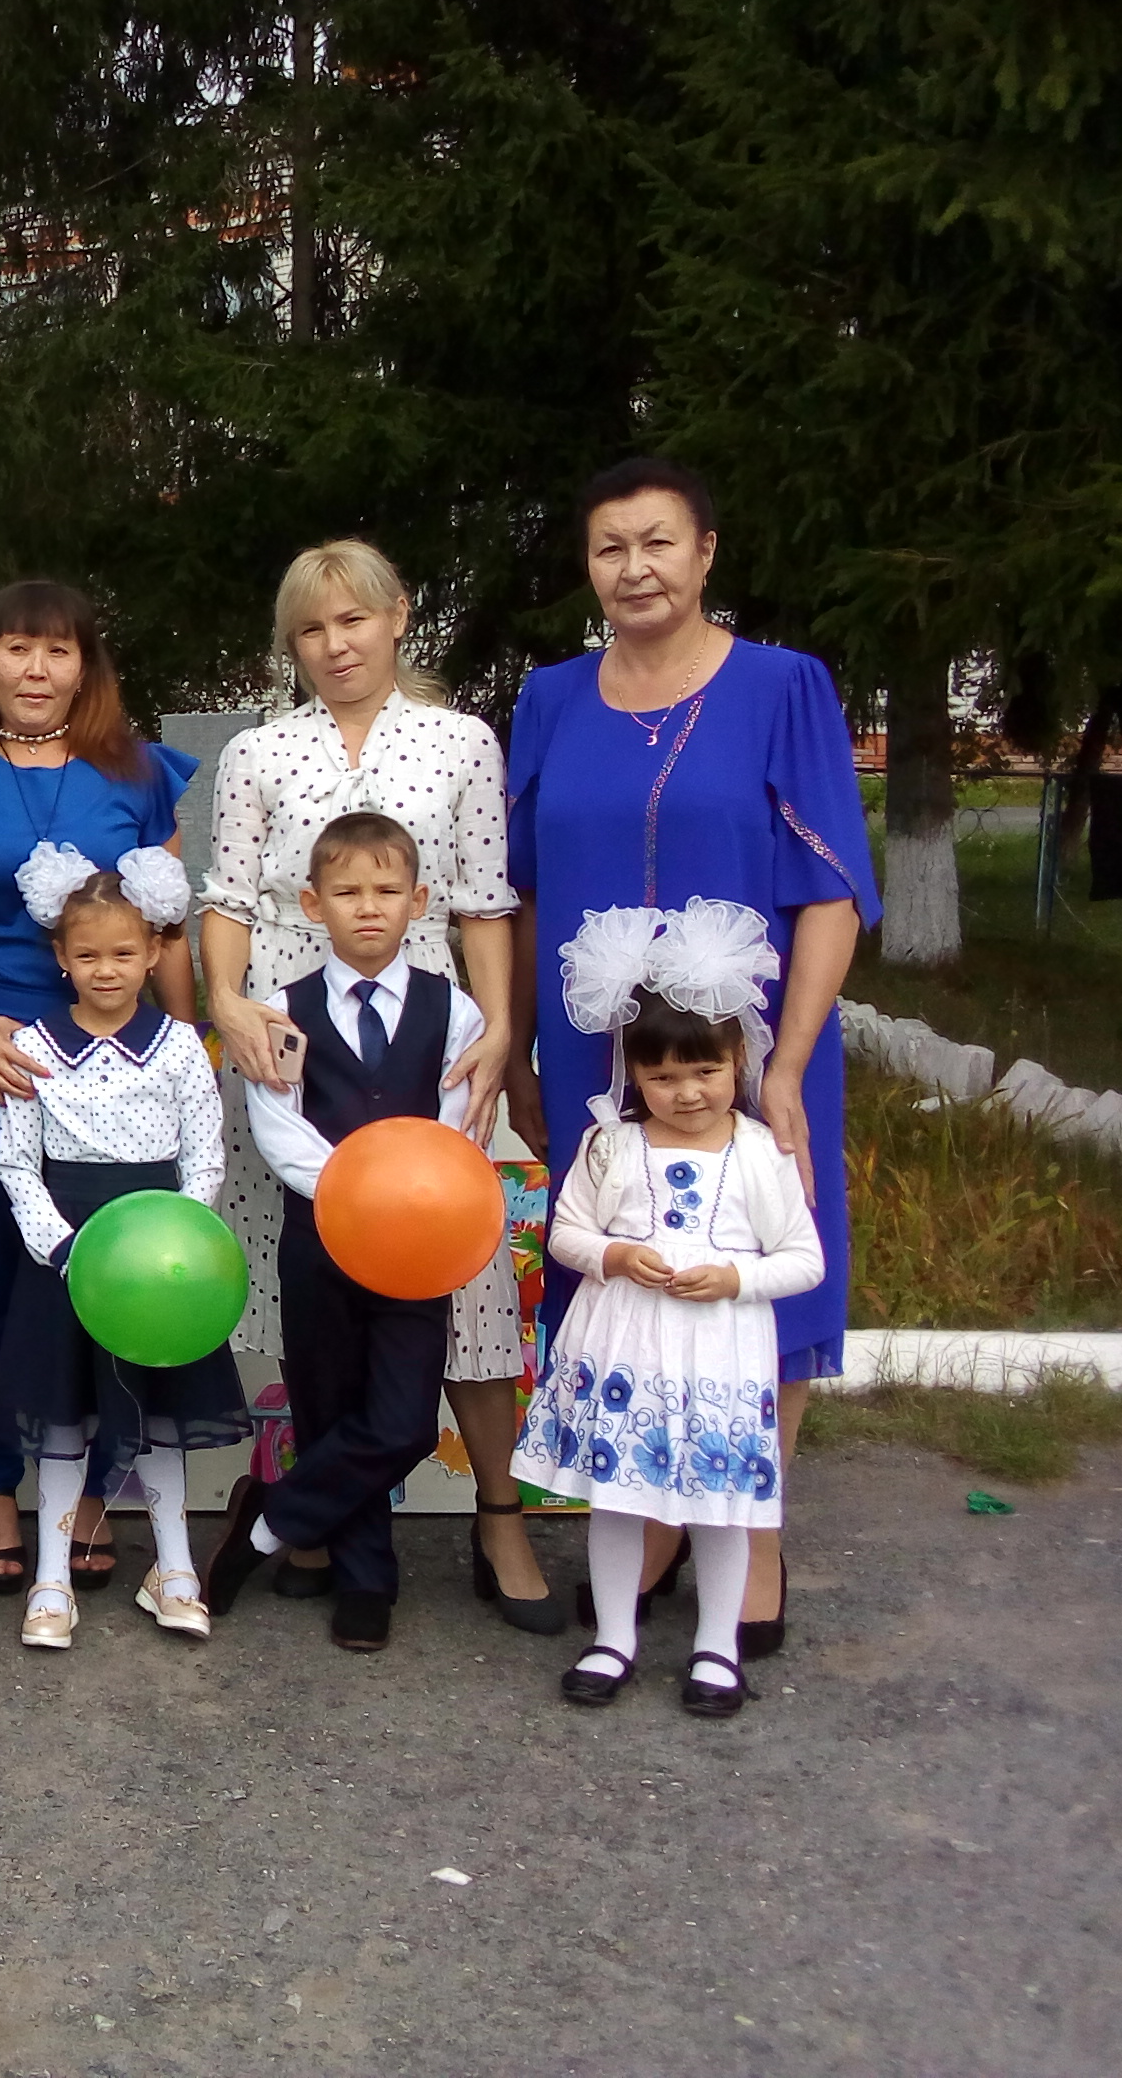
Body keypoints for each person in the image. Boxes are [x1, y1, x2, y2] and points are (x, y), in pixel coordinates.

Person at [504, 458, 873, 1658]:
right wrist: (518, 1052)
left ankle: (750, 1532)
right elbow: (519, 891)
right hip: (593, 1054)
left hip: (754, 1051)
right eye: (609, 548)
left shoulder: (784, 687)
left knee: (761, 1261)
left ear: (706, 552)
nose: (635, 568)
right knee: (617, 1267)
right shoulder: (551, 698)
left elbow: (830, 893)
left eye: (658, 542)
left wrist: (789, 1066)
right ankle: (650, 1518)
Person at [198, 541, 551, 1629]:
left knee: (455, 1294)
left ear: (398, 616)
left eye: (353, 620)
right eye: (311, 630)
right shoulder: (260, 751)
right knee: (319, 1307)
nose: (335, 645)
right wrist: (227, 1003)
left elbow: (484, 900)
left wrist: (502, 1032)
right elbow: (229, 899)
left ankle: (491, 1516)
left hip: (425, 1037)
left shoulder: (459, 742)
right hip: (293, 1041)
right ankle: (340, 1543)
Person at [0, 581, 196, 1600]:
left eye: (57, 650)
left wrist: (183, 1047)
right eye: (16, 648)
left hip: (115, 1063)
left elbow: (168, 931)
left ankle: (94, 1492)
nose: (36, 668)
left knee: (103, 1268)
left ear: (86, 666)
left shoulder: (139, 772)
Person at [522, 901, 822, 1718]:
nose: (686, 1093)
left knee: (722, 1507)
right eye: (662, 1078)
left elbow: (804, 1260)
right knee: (618, 1496)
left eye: (704, 1073)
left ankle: (717, 1647)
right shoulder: (611, 1145)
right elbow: (567, 1234)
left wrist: (735, 1278)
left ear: (738, 1061)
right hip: (626, 1347)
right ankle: (613, 1636)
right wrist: (616, 1257)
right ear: (634, 1074)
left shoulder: (760, 1153)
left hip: (721, 1353)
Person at [208, 813, 486, 1651]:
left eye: (388, 891)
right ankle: (366, 1579)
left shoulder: (454, 1011)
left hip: (418, 1248)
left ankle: (268, 1522)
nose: (369, 907)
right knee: (328, 1408)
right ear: (313, 903)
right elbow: (279, 1127)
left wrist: (399, 1200)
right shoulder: (281, 1012)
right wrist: (357, 1194)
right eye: (348, 892)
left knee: (402, 1420)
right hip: (320, 1240)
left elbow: (454, 1123)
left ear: (419, 902)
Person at [0, 845, 240, 1648]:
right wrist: (63, 1249)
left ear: (156, 953)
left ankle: (174, 1569)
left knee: (160, 1413)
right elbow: (16, 1163)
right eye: (89, 954)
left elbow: (205, 1157)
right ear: (61, 957)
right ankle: (52, 1579)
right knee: (64, 1418)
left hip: (160, 1262)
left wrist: (178, 1246)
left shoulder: (179, 1046)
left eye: (125, 953)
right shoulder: (32, 1046)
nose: (107, 970)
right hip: (67, 1256)